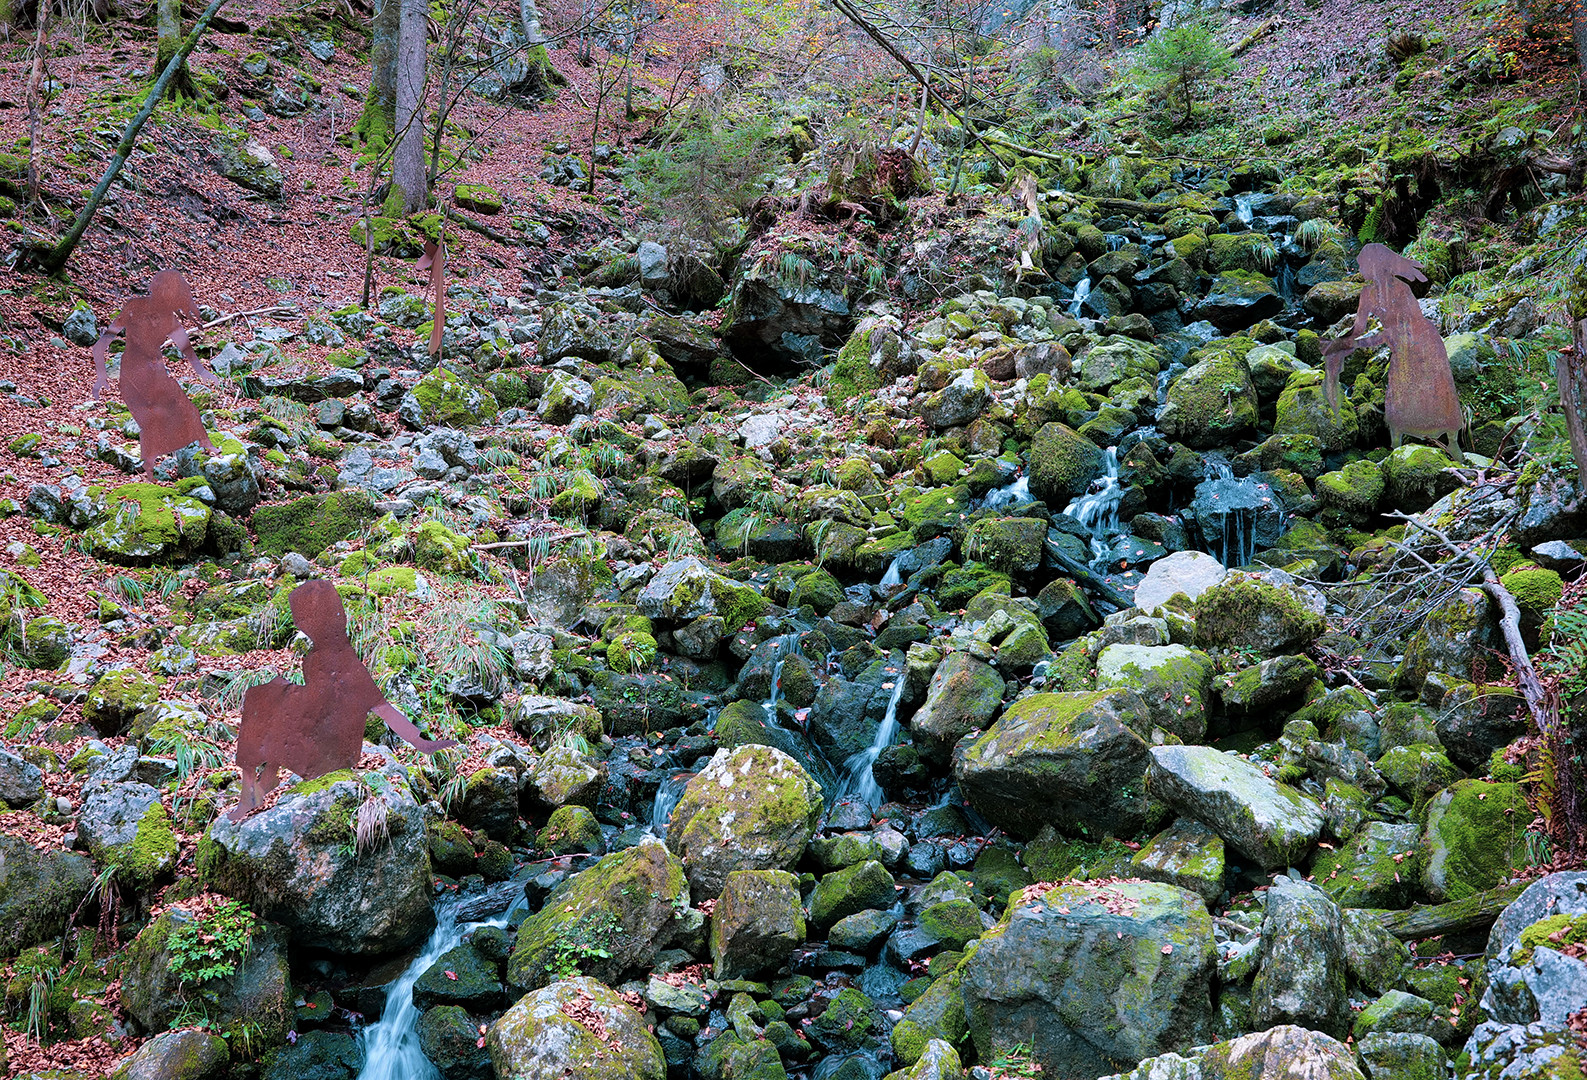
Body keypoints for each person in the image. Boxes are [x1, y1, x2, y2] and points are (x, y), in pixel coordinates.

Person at [231, 580, 457, 821]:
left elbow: (380, 706)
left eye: (304, 620)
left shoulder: (340, 661)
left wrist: (421, 743)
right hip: (325, 741)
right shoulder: (326, 655)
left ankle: (254, 789)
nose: (301, 626)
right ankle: (262, 782)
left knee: (263, 698)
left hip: (331, 753)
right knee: (270, 697)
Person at [1322, 244, 1465, 461]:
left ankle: (1453, 443)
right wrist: (1339, 344)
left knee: (1435, 389)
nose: (1359, 269)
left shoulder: (1401, 289)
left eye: (1361, 264)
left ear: (1374, 265)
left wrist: (1363, 343)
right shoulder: (1367, 293)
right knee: (1399, 392)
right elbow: (1357, 330)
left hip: (1423, 342)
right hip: (1401, 345)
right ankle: (1395, 449)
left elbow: (1409, 325)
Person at [90, 270, 218, 480]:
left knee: (183, 406)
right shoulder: (134, 307)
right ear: (154, 289)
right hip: (133, 373)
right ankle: (149, 470)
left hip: (157, 373)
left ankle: (204, 444)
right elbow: (101, 345)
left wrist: (202, 371)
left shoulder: (169, 318)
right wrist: (101, 376)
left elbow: (186, 347)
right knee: (151, 419)